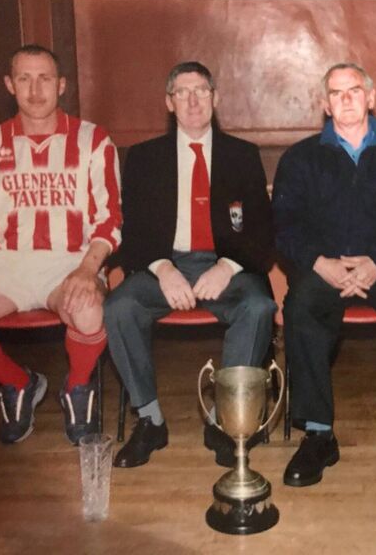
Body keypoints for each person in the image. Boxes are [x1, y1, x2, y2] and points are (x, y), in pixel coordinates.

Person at [0, 45, 121, 446]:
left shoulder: (93, 140)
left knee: (89, 312)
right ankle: (19, 382)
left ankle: (77, 387)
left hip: (70, 259)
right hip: (5, 264)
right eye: (24, 79)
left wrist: (89, 270)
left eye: (45, 79)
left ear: (62, 85)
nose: (35, 91)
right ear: (9, 85)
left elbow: (109, 218)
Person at [272, 63, 376, 488]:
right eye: (336, 92)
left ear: (371, 96)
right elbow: (285, 224)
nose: (346, 99)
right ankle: (317, 434)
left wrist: (375, 262)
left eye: (354, 90)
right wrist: (320, 262)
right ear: (325, 104)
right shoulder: (300, 157)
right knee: (301, 307)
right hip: (324, 265)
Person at [105, 61, 276, 469]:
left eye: (201, 90)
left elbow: (263, 228)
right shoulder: (145, 158)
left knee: (259, 307)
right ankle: (150, 421)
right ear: (169, 102)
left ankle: (225, 420)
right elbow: (136, 231)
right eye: (183, 92)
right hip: (165, 263)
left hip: (224, 265)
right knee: (119, 307)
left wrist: (229, 266)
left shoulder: (242, 155)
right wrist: (163, 269)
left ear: (215, 99)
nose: (193, 100)